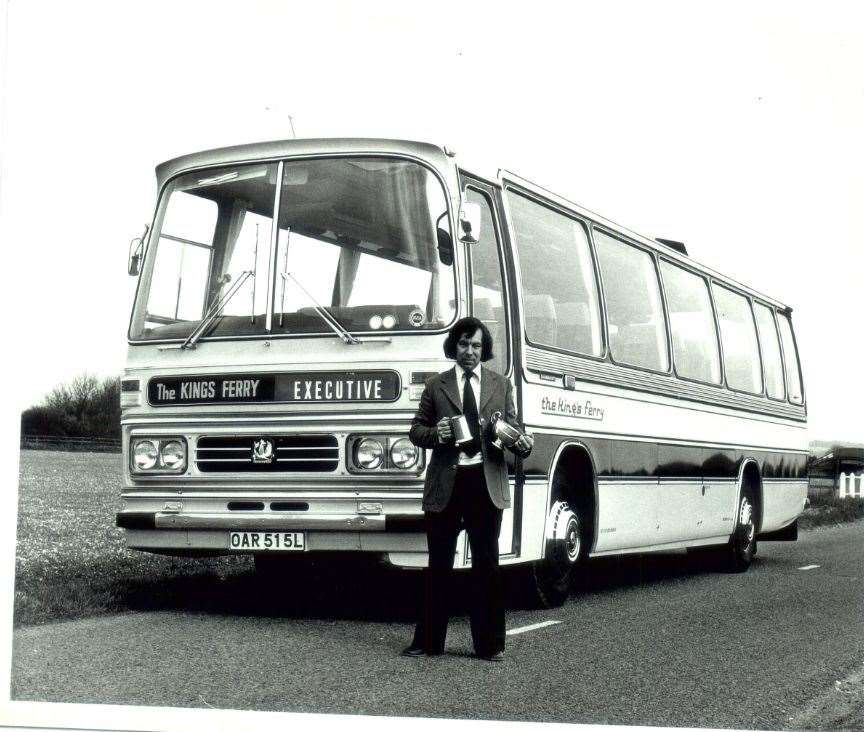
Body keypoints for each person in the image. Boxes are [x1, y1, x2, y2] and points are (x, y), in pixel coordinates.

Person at [401, 316, 533, 661]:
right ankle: (429, 642)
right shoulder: (436, 385)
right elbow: (416, 430)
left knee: (486, 564)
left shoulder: (500, 385)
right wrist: (436, 434)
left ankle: (489, 646)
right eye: (463, 344)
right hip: (448, 481)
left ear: (484, 349)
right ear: (453, 347)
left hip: (485, 482)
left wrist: (513, 435)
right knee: (439, 563)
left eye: (476, 345)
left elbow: (515, 427)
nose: (469, 351)